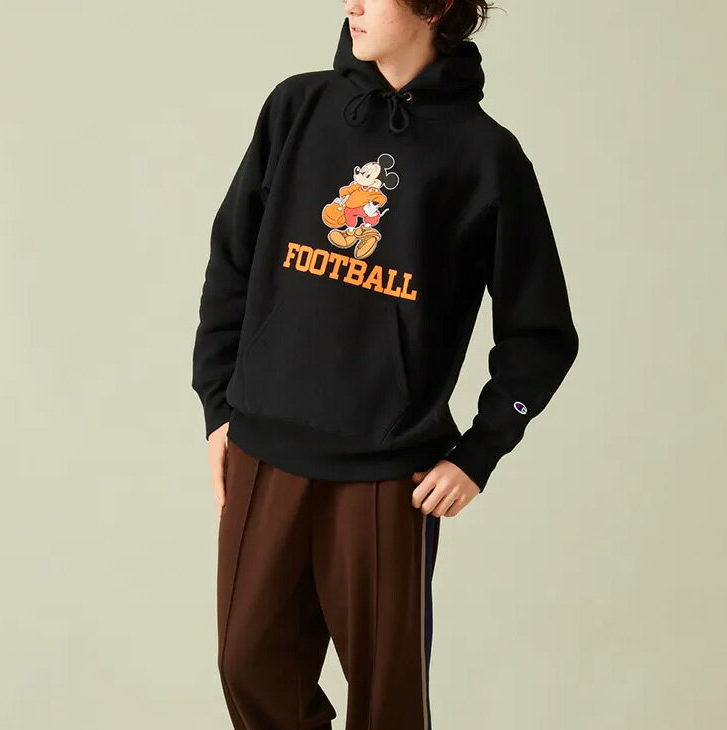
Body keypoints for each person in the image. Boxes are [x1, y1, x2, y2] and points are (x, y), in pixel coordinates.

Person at [191, 1, 579, 728]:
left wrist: (479, 453)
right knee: (247, 666)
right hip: (266, 450)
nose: (352, 4)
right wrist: (217, 404)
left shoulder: (485, 157)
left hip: (388, 474)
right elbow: (232, 261)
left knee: (386, 704)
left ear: (433, 7)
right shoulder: (296, 108)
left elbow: (541, 334)